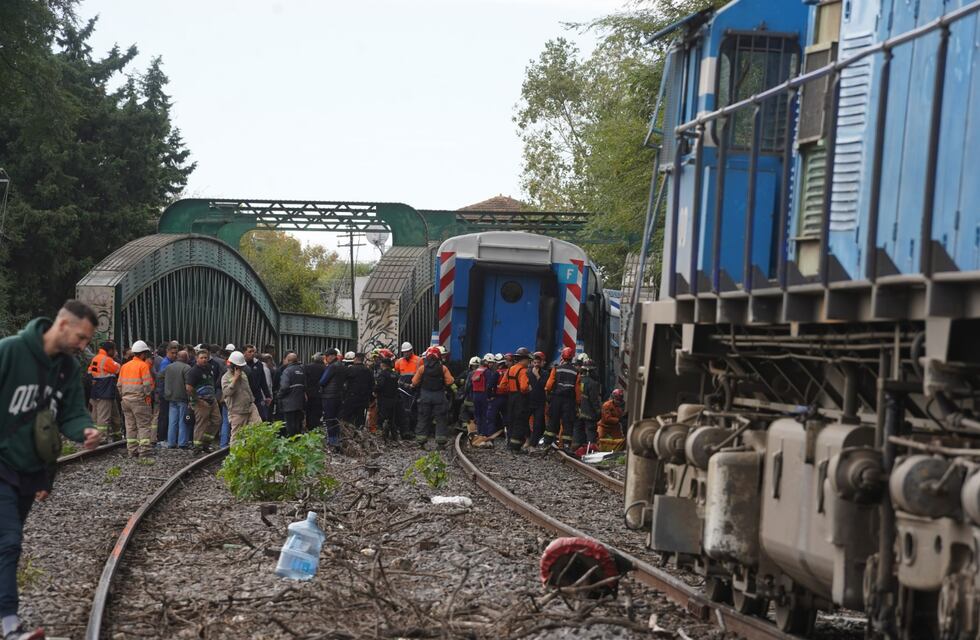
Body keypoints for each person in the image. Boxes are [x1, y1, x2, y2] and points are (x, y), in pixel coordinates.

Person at [0, 300, 102, 640]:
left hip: (29, 470)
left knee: (7, 543)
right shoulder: (10, 352)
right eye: (82, 338)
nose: (83, 346)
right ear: (62, 325)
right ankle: (11, 624)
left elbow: (70, 413)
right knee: (9, 542)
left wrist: (85, 431)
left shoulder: (68, 369)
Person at [118, 341, 156, 461]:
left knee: (130, 426)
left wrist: (123, 395)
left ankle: (132, 450)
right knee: (143, 425)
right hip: (139, 400)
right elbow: (147, 385)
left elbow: (119, 385)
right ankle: (145, 451)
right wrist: (147, 395)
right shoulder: (143, 366)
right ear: (143, 354)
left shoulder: (125, 366)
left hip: (125, 399)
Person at [411, 347, 455, 449]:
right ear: (438, 357)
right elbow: (450, 382)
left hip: (425, 396)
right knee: (441, 419)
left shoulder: (422, 368)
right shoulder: (443, 368)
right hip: (439, 397)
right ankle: (440, 442)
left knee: (423, 418)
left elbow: (414, 382)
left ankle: (421, 442)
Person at [222, 351, 263, 442]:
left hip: (250, 406)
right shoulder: (226, 377)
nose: (241, 368)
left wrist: (252, 400)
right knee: (237, 435)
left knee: (259, 427)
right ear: (233, 365)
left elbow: (247, 389)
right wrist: (235, 379)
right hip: (237, 410)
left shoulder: (244, 374)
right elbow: (227, 392)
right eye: (239, 367)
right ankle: (235, 455)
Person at [185, 350, 221, 452]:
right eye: (202, 358)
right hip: (200, 401)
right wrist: (197, 399)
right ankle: (197, 446)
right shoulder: (193, 371)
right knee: (201, 423)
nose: (204, 359)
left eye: (206, 357)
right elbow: (188, 388)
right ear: (197, 359)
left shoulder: (209, 368)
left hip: (211, 399)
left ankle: (206, 443)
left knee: (217, 420)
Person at [544, 347, 579, 449]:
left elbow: (549, 385)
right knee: (567, 422)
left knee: (553, 421)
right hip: (569, 401)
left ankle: (548, 442)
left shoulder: (556, 369)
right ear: (572, 357)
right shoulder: (576, 372)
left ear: (562, 356)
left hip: (556, 399)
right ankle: (567, 444)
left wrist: (548, 395)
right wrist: (577, 402)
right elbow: (577, 390)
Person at [87, 340, 121, 440]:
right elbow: (118, 369)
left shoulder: (95, 358)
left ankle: (116, 435)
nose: (115, 351)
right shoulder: (107, 360)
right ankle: (101, 438)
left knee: (104, 415)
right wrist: (115, 358)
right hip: (105, 391)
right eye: (114, 350)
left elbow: (91, 372)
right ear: (110, 350)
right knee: (103, 417)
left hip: (97, 391)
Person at [163, 350, 192, 448]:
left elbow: (159, 376)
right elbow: (188, 385)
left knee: (172, 421)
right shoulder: (187, 368)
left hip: (171, 397)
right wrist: (191, 399)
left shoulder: (168, 367)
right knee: (183, 421)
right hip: (183, 398)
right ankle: (182, 443)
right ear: (186, 358)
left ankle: (171, 443)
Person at [319, 349, 346, 450]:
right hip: (339, 396)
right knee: (336, 420)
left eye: (326, 357)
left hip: (329, 396)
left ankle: (332, 442)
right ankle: (337, 441)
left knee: (330, 419)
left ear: (331, 356)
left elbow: (322, 381)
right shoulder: (342, 366)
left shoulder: (332, 367)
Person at [505, 348, 532, 451]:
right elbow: (524, 387)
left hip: (511, 398)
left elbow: (503, 385)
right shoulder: (523, 371)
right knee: (520, 421)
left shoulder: (510, 369)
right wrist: (529, 388)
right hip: (521, 399)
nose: (529, 362)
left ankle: (509, 444)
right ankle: (515, 446)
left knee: (511, 420)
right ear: (523, 359)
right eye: (528, 360)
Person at [393, 342, 420, 439]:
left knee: (413, 411)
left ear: (411, 350)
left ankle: (413, 430)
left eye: (407, 352)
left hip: (414, 389)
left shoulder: (418, 360)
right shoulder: (399, 362)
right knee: (403, 411)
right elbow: (396, 374)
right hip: (402, 390)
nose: (405, 354)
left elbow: (420, 374)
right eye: (404, 352)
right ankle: (405, 430)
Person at [277, 353, 306, 437]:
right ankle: (298, 444)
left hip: (288, 404)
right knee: (298, 425)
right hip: (300, 403)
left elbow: (284, 387)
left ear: (288, 360)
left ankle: (291, 444)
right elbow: (305, 386)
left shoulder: (287, 371)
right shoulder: (301, 370)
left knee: (290, 427)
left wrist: (279, 396)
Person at [155, 341, 179, 445]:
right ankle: (161, 438)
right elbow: (162, 379)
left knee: (166, 415)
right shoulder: (166, 363)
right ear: (167, 352)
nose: (174, 355)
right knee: (164, 416)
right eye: (172, 353)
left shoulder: (169, 362)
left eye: (176, 353)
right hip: (165, 393)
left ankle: (163, 437)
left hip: (167, 392)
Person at [341, 353, 373, 429]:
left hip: (351, 398)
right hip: (363, 399)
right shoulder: (368, 370)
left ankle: (348, 433)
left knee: (347, 418)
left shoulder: (351, 369)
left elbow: (343, 381)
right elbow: (371, 385)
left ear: (355, 359)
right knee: (360, 418)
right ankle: (359, 434)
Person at [577, 359, 603, 451]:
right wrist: (598, 411)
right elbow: (594, 400)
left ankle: (579, 449)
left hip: (580, 411)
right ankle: (591, 450)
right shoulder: (593, 383)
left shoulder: (580, 380)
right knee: (591, 431)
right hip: (589, 413)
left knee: (579, 431)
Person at [374, 355, 401, 441]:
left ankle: (382, 437)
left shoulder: (382, 374)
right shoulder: (395, 374)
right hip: (394, 399)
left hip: (383, 399)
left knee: (382, 417)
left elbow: (380, 385)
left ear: (383, 364)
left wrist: (374, 390)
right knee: (391, 419)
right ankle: (394, 437)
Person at [242, 344, 272, 421]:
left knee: (262, 417)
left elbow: (263, 381)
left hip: (257, 395)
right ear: (244, 353)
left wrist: (267, 395)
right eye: (250, 352)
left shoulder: (258, 364)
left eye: (253, 352)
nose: (252, 354)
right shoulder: (240, 365)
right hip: (244, 395)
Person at [528, 352, 549, 446]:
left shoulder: (545, 373)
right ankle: (526, 439)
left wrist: (537, 376)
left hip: (540, 402)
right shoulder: (527, 372)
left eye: (538, 362)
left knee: (538, 423)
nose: (536, 364)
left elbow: (544, 385)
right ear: (532, 362)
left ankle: (533, 443)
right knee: (524, 420)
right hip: (528, 400)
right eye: (535, 362)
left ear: (541, 363)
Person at [469, 355, 491, 439]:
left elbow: (470, 385)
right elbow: (489, 385)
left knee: (477, 414)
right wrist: (490, 396)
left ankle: (478, 431)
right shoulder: (487, 372)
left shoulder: (475, 372)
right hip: (483, 394)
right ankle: (484, 433)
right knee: (484, 414)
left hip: (475, 395)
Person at [303, 352, 325, 433]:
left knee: (309, 411)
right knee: (318, 411)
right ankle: (316, 428)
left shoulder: (307, 367)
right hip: (320, 393)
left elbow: (304, 380)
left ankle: (309, 428)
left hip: (309, 393)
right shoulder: (325, 368)